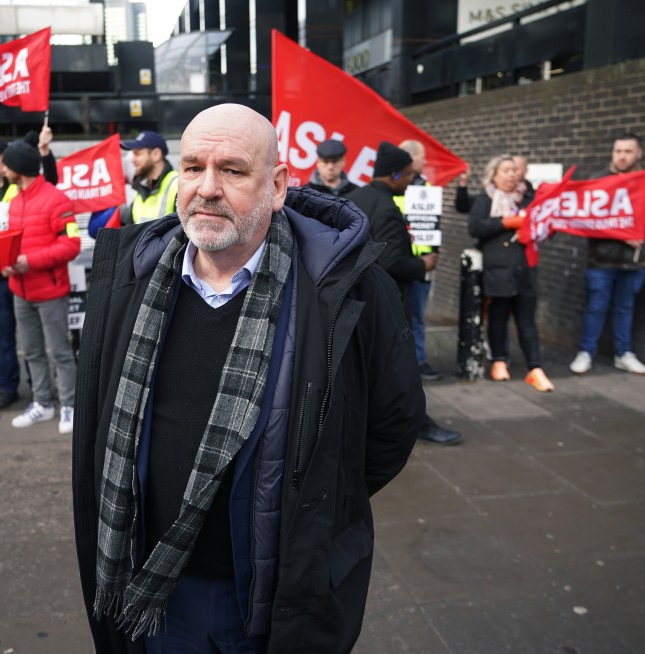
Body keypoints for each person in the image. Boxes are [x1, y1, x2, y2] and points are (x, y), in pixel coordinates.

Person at [72, 104, 424, 653]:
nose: (206, 188)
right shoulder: (128, 277)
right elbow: (97, 421)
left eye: (232, 171)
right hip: (154, 592)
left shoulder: (348, 289)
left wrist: (313, 501)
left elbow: (391, 427)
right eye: (192, 168)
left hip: (275, 595)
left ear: (278, 185)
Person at [349, 142, 462, 444]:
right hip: (389, 305)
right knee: (402, 371)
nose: (412, 180)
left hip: (356, 302)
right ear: (394, 174)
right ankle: (418, 424)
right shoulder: (387, 208)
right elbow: (390, 262)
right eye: (409, 175)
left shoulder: (354, 197)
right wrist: (421, 264)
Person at [0, 129, 59, 410]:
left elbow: (51, 183)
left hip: (23, 274)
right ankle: (7, 388)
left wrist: (45, 151)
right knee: (2, 335)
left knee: (34, 339)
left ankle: (38, 389)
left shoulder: (21, 184)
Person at [0, 131, 80, 435]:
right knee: (31, 351)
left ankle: (69, 405)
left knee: (60, 351)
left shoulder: (57, 200)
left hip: (48, 290)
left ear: (18, 167)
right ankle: (43, 403)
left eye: (6, 164)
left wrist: (29, 262)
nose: (2, 169)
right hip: (20, 289)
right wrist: (6, 264)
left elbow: (71, 245)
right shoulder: (13, 200)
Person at [570, 133, 645, 375]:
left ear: (638, 154)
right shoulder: (599, 180)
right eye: (618, 151)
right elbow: (588, 221)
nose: (622, 156)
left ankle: (624, 353)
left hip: (634, 262)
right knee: (596, 307)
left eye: (628, 151)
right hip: (601, 260)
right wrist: (621, 235)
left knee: (625, 308)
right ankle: (585, 352)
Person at [468, 154, 554, 392]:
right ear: (494, 174)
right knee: (499, 317)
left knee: (526, 319)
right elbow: (475, 228)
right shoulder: (485, 199)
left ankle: (534, 367)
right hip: (498, 268)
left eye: (514, 170)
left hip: (525, 268)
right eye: (506, 170)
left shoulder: (529, 197)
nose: (511, 174)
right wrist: (507, 222)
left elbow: (544, 223)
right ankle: (499, 361)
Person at [395, 139, 441, 381]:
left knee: (419, 315)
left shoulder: (428, 187)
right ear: (412, 159)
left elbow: (433, 223)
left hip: (423, 261)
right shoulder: (395, 188)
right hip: (403, 262)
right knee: (402, 316)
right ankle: (405, 363)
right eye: (422, 157)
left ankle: (419, 360)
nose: (424, 162)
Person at [120, 130, 178, 224]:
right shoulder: (142, 188)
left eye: (137, 154)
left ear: (156, 154)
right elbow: (130, 227)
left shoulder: (177, 185)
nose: (133, 160)